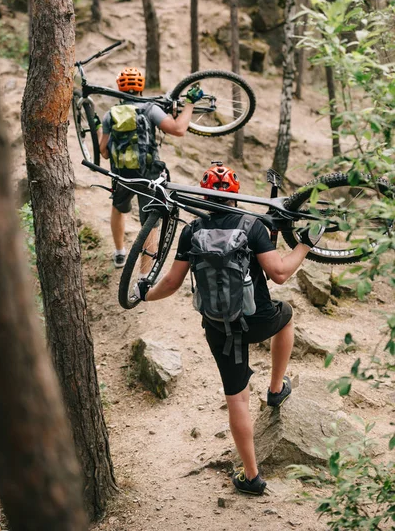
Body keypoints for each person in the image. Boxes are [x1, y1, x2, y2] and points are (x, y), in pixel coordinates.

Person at [133, 162, 325, 496]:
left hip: (220, 329)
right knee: (288, 315)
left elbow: (172, 283)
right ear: (235, 195)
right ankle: (276, 388)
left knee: (236, 397)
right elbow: (279, 273)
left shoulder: (192, 231)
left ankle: (251, 477)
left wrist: (144, 295)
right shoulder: (252, 226)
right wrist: (305, 245)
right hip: (260, 318)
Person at [99, 67, 203, 267]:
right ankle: (144, 276)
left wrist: (98, 130)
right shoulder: (149, 108)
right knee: (150, 223)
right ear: (141, 87)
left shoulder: (110, 114)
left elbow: (103, 152)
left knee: (118, 208)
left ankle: (120, 254)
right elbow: (179, 129)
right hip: (149, 174)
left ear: (119, 87)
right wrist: (189, 103)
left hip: (121, 175)